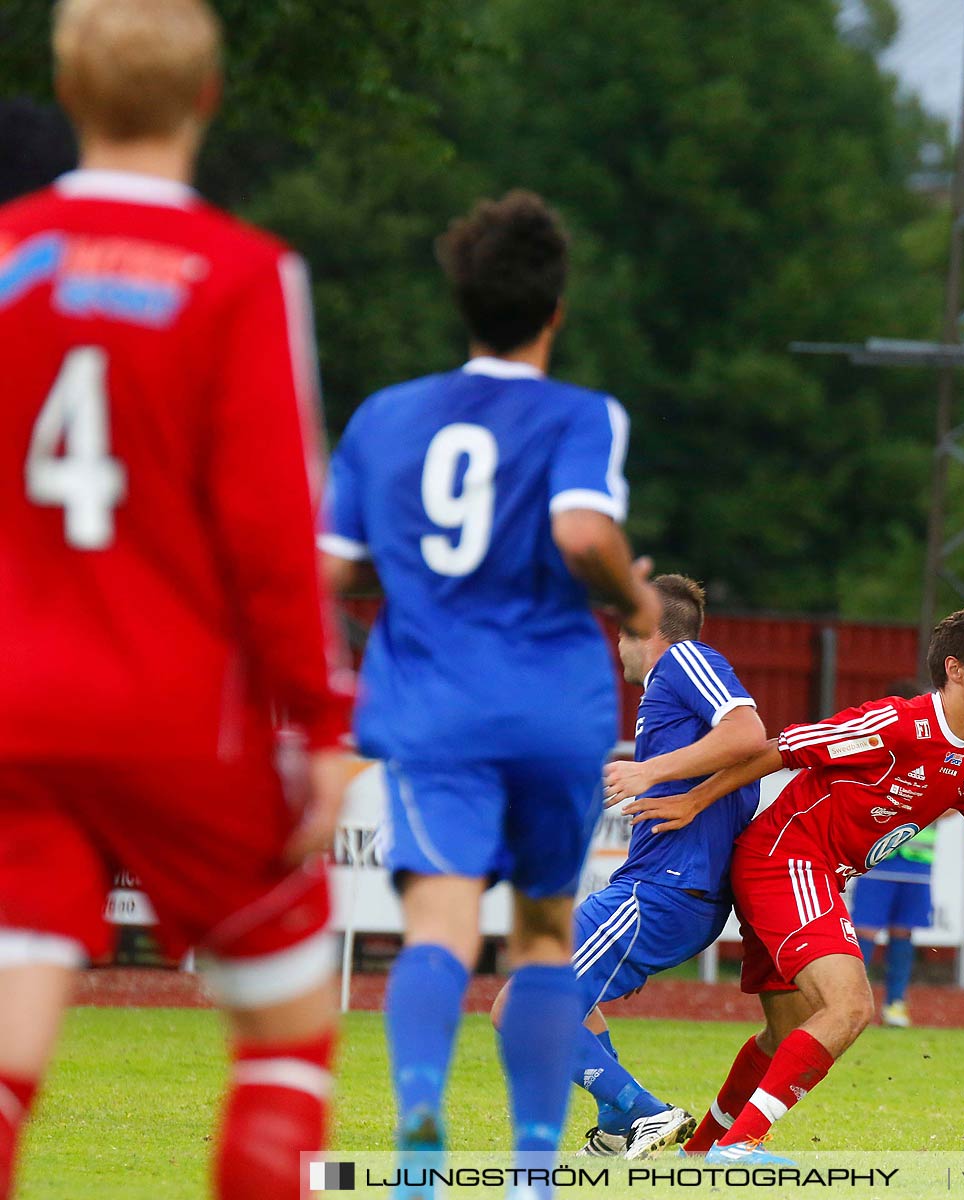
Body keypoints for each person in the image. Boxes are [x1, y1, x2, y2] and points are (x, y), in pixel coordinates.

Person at [0, 2, 356, 1198]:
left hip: (15, 708)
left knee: (7, 1054)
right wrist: (318, 720)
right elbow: (271, 529)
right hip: (181, 720)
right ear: (207, 98)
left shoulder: (5, 255)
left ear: (68, 91)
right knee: (289, 1033)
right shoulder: (246, 274)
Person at [317, 191, 661, 1180]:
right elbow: (583, 533)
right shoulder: (583, 415)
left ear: (461, 303)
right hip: (554, 705)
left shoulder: (386, 418)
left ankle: (421, 1133)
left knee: (440, 921)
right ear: (556, 310)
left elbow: (328, 569)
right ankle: (532, 1168)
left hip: (435, 705)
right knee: (546, 933)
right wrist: (635, 599)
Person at [622, 606, 964, 1163]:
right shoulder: (897, 724)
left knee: (784, 1032)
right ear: (956, 670)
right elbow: (781, 748)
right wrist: (694, 799)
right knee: (852, 1006)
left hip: (808, 875)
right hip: (785, 859)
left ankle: (701, 1151)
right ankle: (740, 1144)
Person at [489, 573, 765, 1159]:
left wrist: (651, 772)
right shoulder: (672, 689)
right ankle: (617, 1124)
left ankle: (648, 1113)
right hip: (669, 889)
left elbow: (749, 733)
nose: (615, 650)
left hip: (664, 888)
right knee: (572, 1003)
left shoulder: (685, 659)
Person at [849, 678, 937, 1028]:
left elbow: (948, 804)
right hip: (879, 858)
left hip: (918, 863)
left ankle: (896, 1003)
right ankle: (854, 1002)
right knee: (866, 929)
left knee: (904, 933)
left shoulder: (936, 753)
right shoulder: (879, 750)